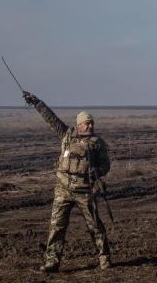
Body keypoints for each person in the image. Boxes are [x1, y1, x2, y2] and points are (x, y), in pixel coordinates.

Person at [22, 90, 111, 273]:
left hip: (85, 191)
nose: (90, 126)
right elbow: (51, 118)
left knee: (95, 227)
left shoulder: (97, 143)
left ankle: (104, 260)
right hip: (63, 191)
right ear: (79, 125)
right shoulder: (66, 134)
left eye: (92, 123)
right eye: (87, 123)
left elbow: (106, 164)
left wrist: (98, 171)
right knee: (56, 227)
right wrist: (37, 102)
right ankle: (52, 262)